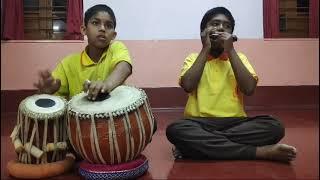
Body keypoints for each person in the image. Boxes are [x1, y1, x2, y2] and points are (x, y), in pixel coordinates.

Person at [166, 7, 297, 163]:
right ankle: (260, 152)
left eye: (226, 26)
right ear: (203, 32)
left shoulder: (239, 58)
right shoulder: (193, 58)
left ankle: (195, 147)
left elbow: (248, 89)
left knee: (275, 126)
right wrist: (205, 48)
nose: (221, 28)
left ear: (232, 35)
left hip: (236, 123)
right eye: (214, 24)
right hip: (199, 123)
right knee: (176, 130)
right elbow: (188, 85)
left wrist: (231, 50)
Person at [34, 4, 132, 101]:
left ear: (113, 35)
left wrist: (106, 84)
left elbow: (125, 67)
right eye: (95, 23)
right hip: (77, 117)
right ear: (84, 30)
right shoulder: (68, 64)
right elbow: (54, 103)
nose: (102, 28)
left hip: (115, 115)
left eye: (108, 25)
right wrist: (45, 93)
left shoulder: (116, 47)